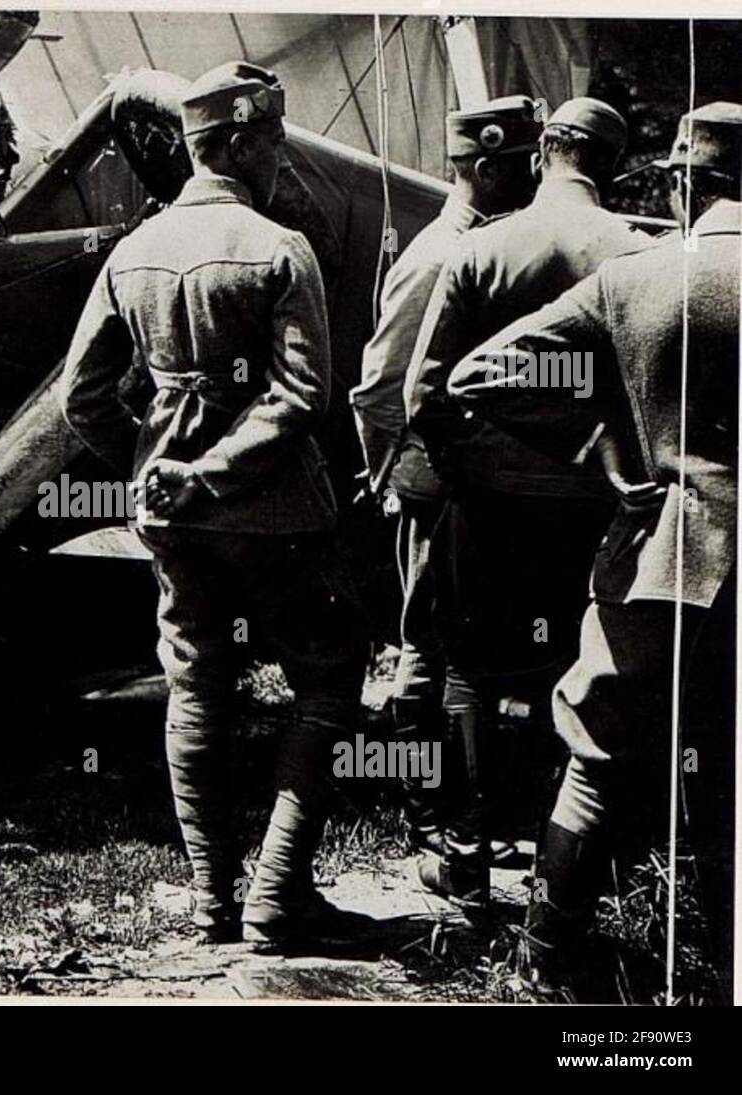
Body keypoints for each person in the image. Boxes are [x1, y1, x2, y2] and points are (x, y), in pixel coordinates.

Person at [60, 62, 368, 951]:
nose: (281, 158)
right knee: (330, 673)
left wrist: (154, 467)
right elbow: (304, 395)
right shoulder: (280, 247)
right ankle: (276, 892)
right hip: (277, 515)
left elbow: (81, 398)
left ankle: (210, 903)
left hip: (175, 521)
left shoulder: (132, 251)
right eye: (272, 139)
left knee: (196, 685)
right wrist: (217, 469)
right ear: (235, 142)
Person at [448, 102, 741, 998]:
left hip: (666, 557)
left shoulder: (637, 277)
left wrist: (602, 448)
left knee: (599, 754)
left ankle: (544, 961)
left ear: (684, 182)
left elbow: (481, 375)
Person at [403, 98, 653, 906]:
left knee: (473, 675)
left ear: (543, 148)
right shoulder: (638, 252)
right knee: (577, 674)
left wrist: (467, 462)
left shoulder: (483, 249)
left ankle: (467, 859)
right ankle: (568, 864)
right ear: (613, 164)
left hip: (488, 504)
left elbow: (423, 390)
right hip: (593, 506)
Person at [349, 96, 541, 856]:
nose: (534, 178)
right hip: (439, 485)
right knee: (430, 645)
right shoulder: (437, 257)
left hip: (467, 481)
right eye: (525, 165)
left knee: (462, 644)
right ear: (487, 168)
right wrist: (393, 476)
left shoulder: (484, 246)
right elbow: (377, 387)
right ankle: (432, 810)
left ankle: (461, 806)